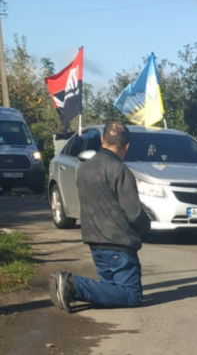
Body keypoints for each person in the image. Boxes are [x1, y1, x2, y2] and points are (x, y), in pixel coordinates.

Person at [49, 123, 150, 312]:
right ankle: (73, 285)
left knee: (110, 292)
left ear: (103, 140)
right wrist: (146, 226)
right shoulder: (119, 170)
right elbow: (133, 212)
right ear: (126, 146)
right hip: (118, 243)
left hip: (94, 240)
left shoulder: (85, 168)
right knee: (131, 295)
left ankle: (70, 288)